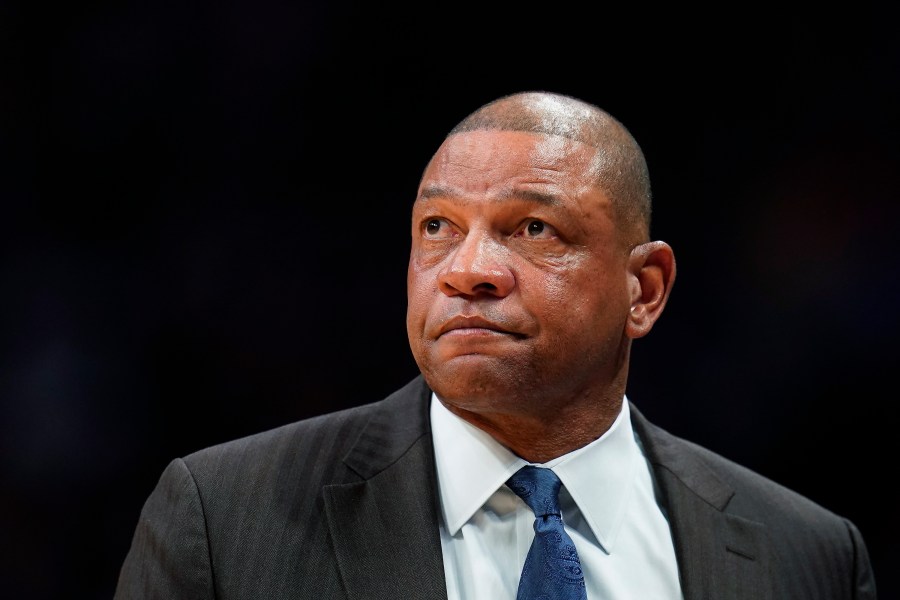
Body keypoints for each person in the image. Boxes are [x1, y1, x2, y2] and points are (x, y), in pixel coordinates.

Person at [114, 91, 877, 599]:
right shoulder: (221, 521)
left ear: (643, 290)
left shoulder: (805, 556)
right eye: (437, 228)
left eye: (533, 228)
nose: (468, 271)